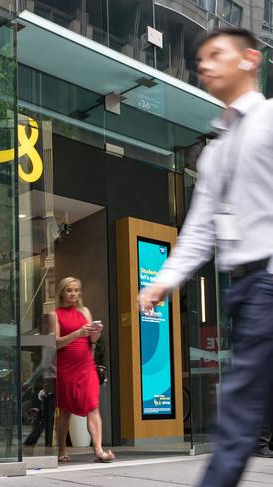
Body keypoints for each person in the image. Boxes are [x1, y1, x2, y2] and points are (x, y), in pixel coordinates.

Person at [139, 27, 273, 487]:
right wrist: (164, 280)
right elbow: (199, 229)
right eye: (200, 60)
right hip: (246, 287)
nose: (206, 65)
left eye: (217, 54)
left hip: (269, 279)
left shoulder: (271, 120)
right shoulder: (214, 154)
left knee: (236, 407)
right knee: (242, 402)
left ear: (249, 59)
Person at [54, 277, 113, 463]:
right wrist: (77, 333)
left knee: (93, 406)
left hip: (86, 364)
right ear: (62, 292)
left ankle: (99, 451)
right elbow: (55, 342)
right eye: (69, 290)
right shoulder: (55, 314)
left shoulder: (85, 311)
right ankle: (62, 449)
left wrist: (95, 334)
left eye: (77, 290)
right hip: (66, 366)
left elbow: (91, 342)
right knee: (65, 410)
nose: (74, 294)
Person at [23, 315, 57, 448]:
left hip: (52, 381)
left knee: (46, 414)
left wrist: (29, 381)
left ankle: (43, 442)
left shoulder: (50, 339)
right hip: (50, 381)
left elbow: (44, 365)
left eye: (42, 324)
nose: (40, 328)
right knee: (46, 414)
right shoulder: (51, 338)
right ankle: (37, 441)